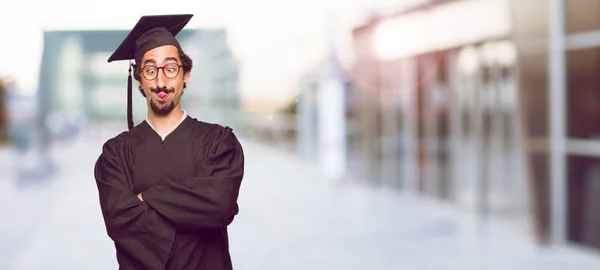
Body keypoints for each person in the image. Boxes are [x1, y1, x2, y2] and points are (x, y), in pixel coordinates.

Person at [93, 14, 245, 270]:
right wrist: (191, 222)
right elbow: (120, 220)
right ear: (139, 77)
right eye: (150, 70)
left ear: (185, 74)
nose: (161, 82)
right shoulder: (116, 154)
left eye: (171, 69)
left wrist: (147, 197)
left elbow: (220, 204)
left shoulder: (219, 143)